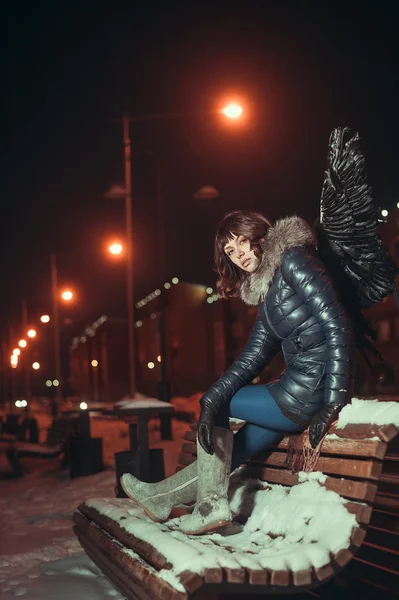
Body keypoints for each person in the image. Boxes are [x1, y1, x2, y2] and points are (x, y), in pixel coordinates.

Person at [121, 209, 355, 535]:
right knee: (236, 447)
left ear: (257, 234)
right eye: (230, 252)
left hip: (308, 393)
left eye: (242, 242)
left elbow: (337, 324)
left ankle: (211, 505)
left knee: (224, 403)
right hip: (297, 391)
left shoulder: (295, 260)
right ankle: (162, 497)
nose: (239, 254)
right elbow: (253, 355)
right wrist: (209, 399)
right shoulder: (271, 289)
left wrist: (335, 399)